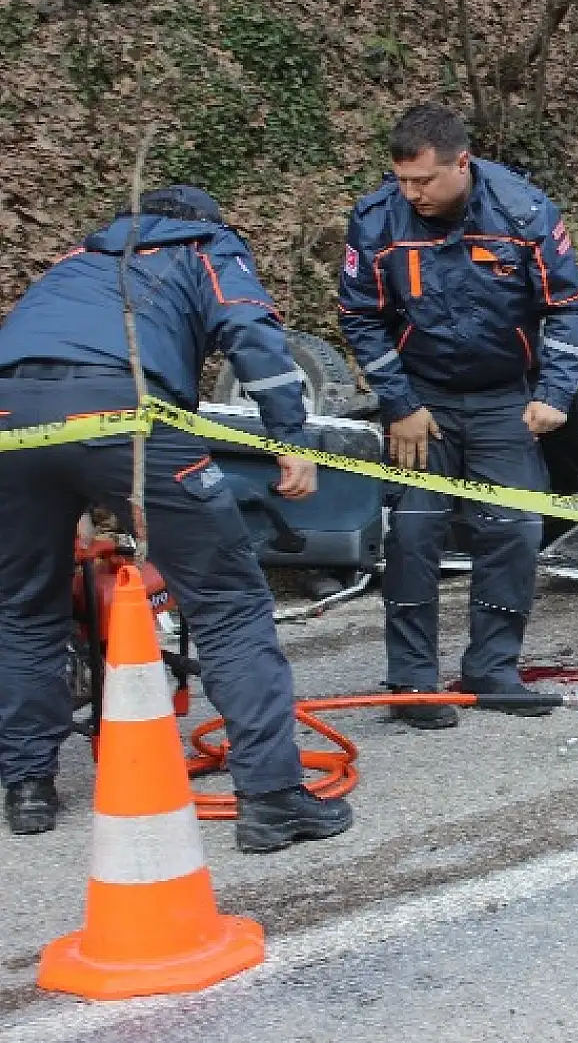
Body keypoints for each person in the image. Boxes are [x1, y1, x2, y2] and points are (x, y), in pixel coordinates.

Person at [0, 185, 353, 851]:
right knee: (227, 600)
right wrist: (289, 440)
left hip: (10, 418)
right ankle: (274, 798)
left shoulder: (79, 258)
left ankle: (27, 787)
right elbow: (251, 333)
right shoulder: (205, 246)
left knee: (21, 606)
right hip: (127, 407)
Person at [338, 103, 578, 730]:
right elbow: (360, 317)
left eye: (423, 180)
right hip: (421, 399)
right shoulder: (377, 221)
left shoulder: (524, 214)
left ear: (461, 164)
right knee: (415, 534)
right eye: (401, 180)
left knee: (513, 529)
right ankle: (412, 683)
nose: (411, 193)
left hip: (505, 394)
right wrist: (400, 404)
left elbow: (565, 306)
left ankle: (492, 670)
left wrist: (554, 393)